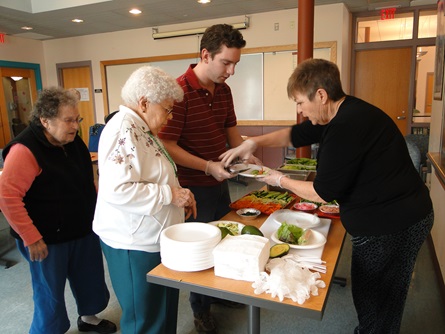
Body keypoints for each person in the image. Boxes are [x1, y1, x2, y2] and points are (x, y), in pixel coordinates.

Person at [220, 58, 434, 334]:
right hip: (404, 212)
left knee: (377, 292)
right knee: (383, 291)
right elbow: (295, 134)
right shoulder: (343, 110)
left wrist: (276, 178)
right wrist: (253, 142)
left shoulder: (345, 127)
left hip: (392, 223)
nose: (299, 110)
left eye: (299, 102)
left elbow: (323, 193)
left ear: (320, 94)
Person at [158, 23, 255, 333]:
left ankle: (219, 294)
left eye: (235, 64)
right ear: (205, 55)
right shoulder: (179, 92)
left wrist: (244, 152)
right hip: (193, 187)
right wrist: (207, 166)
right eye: (226, 62)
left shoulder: (224, 91)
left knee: (225, 239)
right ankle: (200, 310)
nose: (232, 71)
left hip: (219, 181)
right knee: (199, 251)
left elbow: (231, 133)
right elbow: (167, 145)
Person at [0, 87, 116, 334]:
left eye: (77, 119)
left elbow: (87, 183)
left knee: (90, 278)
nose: (75, 126)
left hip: (81, 228)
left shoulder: (72, 142)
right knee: (49, 291)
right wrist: (31, 237)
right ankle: (47, 331)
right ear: (45, 120)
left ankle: (89, 318)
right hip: (45, 237)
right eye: (69, 120)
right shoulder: (24, 150)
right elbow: (7, 197)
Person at [93, 65, 197, 334]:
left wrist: (181, 194)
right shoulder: (122, 131)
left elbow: (154, 174)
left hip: (153, 237)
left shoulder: (141, 127)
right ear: (143, 102)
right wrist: (169, 195)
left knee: (161, 311)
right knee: (144, 319)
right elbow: (117, 190)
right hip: (132, 244)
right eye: (167, 109)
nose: (170, 117)